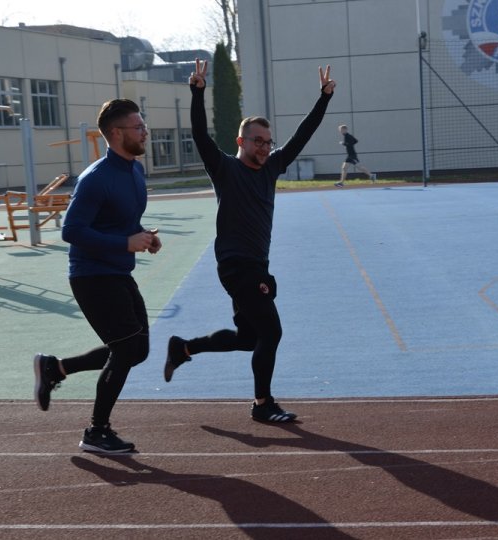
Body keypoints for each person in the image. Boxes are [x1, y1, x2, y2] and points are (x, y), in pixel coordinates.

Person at [163, 59, 335, 423]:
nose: (265, 147)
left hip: (257, 264)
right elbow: (200, 135)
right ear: (241, 141)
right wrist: (197, 93)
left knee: (249, 338)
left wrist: (323, 98)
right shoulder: (225, 168)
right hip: (236, 265)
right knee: (271, 331)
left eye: (269, 142)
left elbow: (302, 135)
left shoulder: (271, 167)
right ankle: (262, 404)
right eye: (258, 141)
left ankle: (184, 348)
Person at [32, 98, 162, 454]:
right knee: (125, 349)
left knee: (138, 350)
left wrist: (142, 236)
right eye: (139, 127)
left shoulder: (134, 170)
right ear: (117, 133)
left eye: (144, 125)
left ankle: (56, 369)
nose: (145, 132)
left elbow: (120, 220)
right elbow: (71, 230)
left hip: (118, 272)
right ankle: (97, 431)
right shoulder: (95, 178)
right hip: (92, 276)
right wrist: (124, 243)